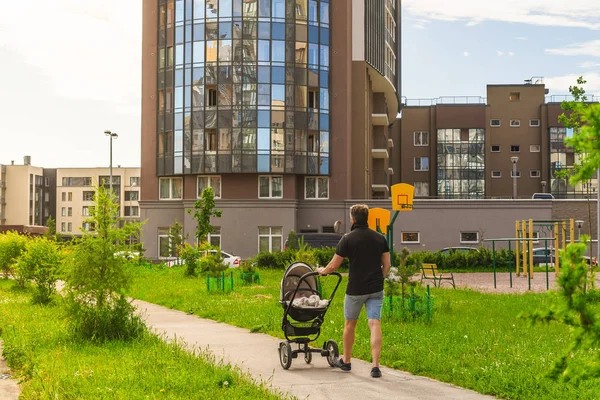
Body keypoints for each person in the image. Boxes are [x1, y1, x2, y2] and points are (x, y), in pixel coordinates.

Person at [317, 204, 391, 378]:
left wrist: (323, 271)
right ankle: (375, 366)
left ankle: (347, 361)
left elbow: (334, 265)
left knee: (350, 324)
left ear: (352, 219)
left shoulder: (348, 238)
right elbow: (387, 264)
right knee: (375, 324)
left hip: (355, 289)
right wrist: (380, 277)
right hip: (376, 288)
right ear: (367, 218)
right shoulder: (380, 238)